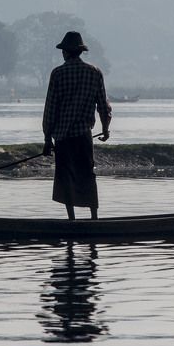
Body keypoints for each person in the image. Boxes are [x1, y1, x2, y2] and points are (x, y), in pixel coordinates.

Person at [41, 31, 112, 220]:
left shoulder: (58, 74)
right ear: (80, 52)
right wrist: (105, 129)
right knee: (87, 175)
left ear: (65, 52)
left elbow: (51, 108)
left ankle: (71, 220)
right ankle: (94, 219)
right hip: (83, 136)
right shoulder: (94, 72)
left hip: (63, 137)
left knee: (66, 178)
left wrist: (48, 139)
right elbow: (103, 106)